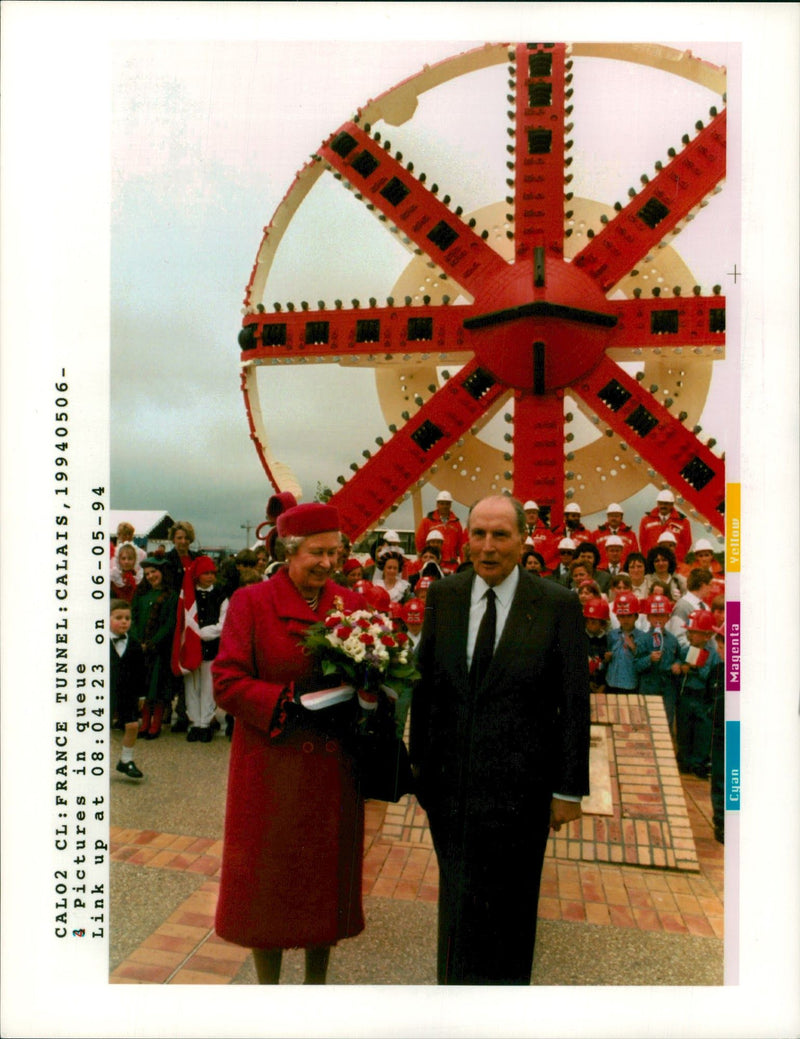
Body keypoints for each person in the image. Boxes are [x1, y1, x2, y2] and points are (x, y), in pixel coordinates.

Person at [410, 495, 590, 985]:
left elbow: (574, 702)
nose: (487, 547)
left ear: (522, 540)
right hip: (450, 792)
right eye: (478, 535)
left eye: (500, 536)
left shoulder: (556, 604)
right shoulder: (444, 597)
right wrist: (420, 770)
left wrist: (568, 790)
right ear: (465, 538)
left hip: (521, 796)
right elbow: (426, 687)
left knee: (509, 916)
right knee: (456, 911)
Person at [212, 502, 367, 985]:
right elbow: (226, 681)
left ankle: (315, 989)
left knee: (322, 885)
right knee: (269, 888)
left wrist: (370, 691)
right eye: (316, 553)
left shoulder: (352, 603)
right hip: (271, 768)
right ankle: (269, 993)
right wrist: (285, 701)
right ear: (289, 551)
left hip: (332, 769)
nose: (327, 563)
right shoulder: (251, 602)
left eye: (334, 552)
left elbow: (375, 671)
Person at [179, 556, 229, 743]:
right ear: (197, 575)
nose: (209, 577)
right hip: (191, 648)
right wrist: (190, 637)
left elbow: (223, 623)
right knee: (192, 685)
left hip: (211, 646)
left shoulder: (221, 595)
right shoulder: (189, 594)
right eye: (205, 573)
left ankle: (206, 723)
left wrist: (198, 633)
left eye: (212, 573)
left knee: (208, 685)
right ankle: (194, 722)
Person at [131, 558, 178, 739]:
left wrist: (154, 642)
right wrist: (137, 640)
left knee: (157, 688)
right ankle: (144, 722)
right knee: (144, 686)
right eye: (147, 573)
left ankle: (156, 723)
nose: (151, 576)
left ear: (162, 572)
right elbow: (133, 617)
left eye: (154, 572)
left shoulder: (170, 596)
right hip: (141, 647)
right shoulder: (141, 594)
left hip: (159, 648)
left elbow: (169, 623)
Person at [674, 610, 721, 777]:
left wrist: (696, 668)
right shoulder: (686, 649)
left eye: (695, 632)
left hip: (702, 698)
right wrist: (679, 666)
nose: (691, 635)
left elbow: (712, 676)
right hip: (686, 695)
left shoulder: (713, 654)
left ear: (707, 635)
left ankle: (699, 762)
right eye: (690, 631)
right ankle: (684, 761)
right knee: (684, 729)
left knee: (702, 731)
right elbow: (680, 661)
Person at [109, 599, 146, 779]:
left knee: (132, 725)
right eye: (118, 618)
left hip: (127, 691)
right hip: (105, 692)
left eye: (127, 618)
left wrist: (142, 695)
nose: (124, 621)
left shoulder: (134, 644)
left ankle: (126, 760)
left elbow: (140, 670)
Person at [605, 591, 650, 694]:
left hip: (631, 683)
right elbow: (607, 655)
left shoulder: (642, 637)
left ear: (636, 616)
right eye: (622, 616)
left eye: (629, 616)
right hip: (611, 681)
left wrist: (634, 648)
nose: (625, 620)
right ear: (617, 617)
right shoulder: (612, 635)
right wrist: (607, 658)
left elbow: (644, 661)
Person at [638, 489, 692, 562]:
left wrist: (678, 559)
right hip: (653, 562)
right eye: (661, 503)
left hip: (675, 563)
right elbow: (642, 542)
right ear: (657, 503)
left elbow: (687, 544)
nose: (663, 506)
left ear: (672, 504)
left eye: (666, 503)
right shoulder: (646, 520)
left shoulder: (683, 522)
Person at [415, 490, 463, 571]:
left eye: (447, 503)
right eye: (442, 503)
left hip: (451, 564)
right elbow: (420, 542)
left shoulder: (456, 523)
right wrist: (427, 557)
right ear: (437, 504)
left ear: (451, 505)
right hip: (432, 562)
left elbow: (461, 546)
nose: (445, 506)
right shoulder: (427, 521)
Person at [666, 568, 714, 648]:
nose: (711, 589)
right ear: (702, 585)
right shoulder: (682, 606)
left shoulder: (705, 607)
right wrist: (694, 654)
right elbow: (677, 637)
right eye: (710, 585)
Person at [593, 503, 639, 568]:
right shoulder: (596, 534)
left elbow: (635, 556)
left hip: (624, 571)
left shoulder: (631, 535)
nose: (614, 518)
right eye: (611, 516)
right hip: (602, 570)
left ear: (621, 517)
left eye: (616, 516)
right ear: (607, 517)